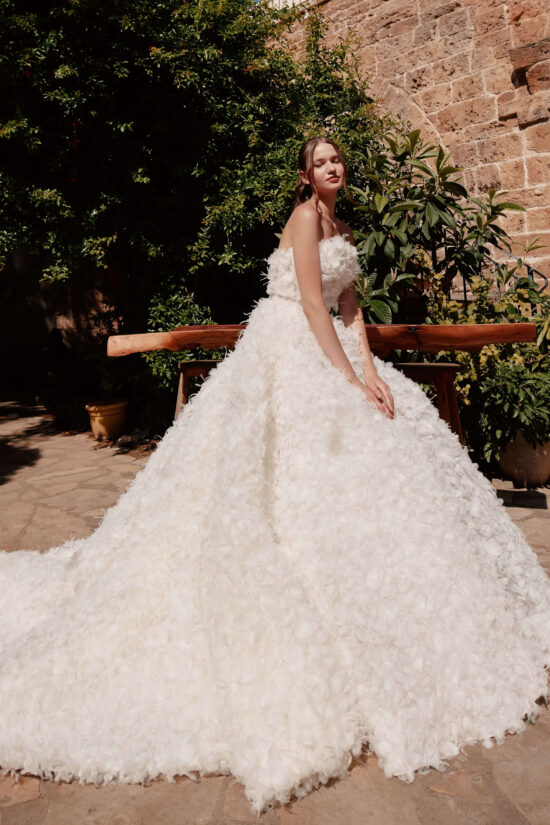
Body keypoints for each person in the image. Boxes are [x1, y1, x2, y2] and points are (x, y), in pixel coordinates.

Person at [1, 136, 549, 817]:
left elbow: (351, 309)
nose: (332, 170)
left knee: (390, 430)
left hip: (334, 347)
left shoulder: (344, 225)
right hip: (289, 350)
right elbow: (315, 305)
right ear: (305, 174)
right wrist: (346, 377)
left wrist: (373, 372)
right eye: (321, 163)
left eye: (338, 161)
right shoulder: (300, 219)